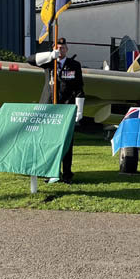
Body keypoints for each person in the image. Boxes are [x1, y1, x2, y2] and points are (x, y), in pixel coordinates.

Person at [27, 37, 85, 183]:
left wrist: (79, 110)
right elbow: (30, 59)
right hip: (49, 107)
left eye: (63, 48)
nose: (61, 50)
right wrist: (50, 55)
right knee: (49, 141)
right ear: (54, 48)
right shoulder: (49, 63)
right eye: (58, 48)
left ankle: (67, 174)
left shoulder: (74, 65)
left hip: (66, 108)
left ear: (67, 49)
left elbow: (79, 88)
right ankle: (51, 172)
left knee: (66, 142)